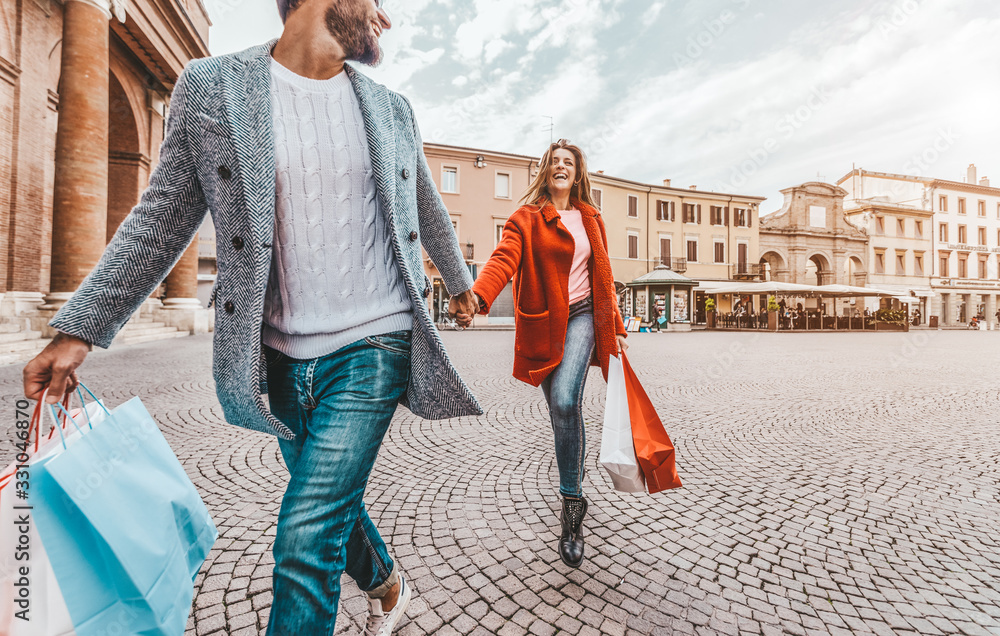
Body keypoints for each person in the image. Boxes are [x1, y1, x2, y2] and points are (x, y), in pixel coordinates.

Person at [22, 1, 483, 633]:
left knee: (305, 534)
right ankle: (387, 583)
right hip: (277, 354)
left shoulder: (391, 107)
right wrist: (78, 331)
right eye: (376, 1)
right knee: (325, 506)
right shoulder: (214, 87)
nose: (386, 18)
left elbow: (423, 199)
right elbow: (162, 217)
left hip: (376, 341)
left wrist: (460, 284)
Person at [469, 140, 627, 569]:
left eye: (568, 163)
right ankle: (573, 492)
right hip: (544, 323)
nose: (561, 167)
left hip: (584, 318)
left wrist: (615, 325)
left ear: (577, 173)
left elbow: (604, 275)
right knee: (561, 413)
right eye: (554, 162)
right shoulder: (526, 218)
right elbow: (504, 258)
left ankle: (572, 507)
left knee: (564, 400)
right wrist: (478, 297)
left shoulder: (592, 218)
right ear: (545, 171)